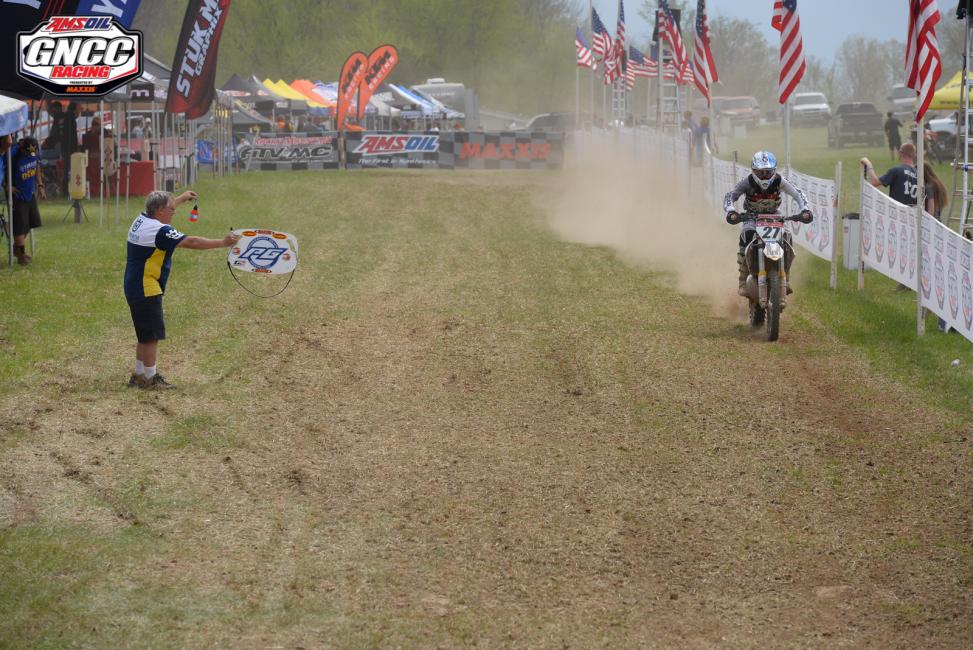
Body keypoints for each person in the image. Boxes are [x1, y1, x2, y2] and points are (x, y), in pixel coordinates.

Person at [124, 190, 241, 390]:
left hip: (133, 284)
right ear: (160, 210)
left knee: (144, 334)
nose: (174, 212)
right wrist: (222, 243)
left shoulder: (142, 219)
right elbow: (191, 242)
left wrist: (180, 198)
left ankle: (138, 374)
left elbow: (163, 207)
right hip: (147, 287)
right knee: (151, 336)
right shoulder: (159, 231)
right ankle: (151, 378)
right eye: (171, 209)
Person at [723, 151, 812, 296]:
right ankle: (742, 280)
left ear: (774, 171)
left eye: (768, 172)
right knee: (746, 234)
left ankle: (785, 276)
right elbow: (730, 196)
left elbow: (797, 193)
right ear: (753, 171)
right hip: (752, 217)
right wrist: (731, 211)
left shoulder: (779, 180)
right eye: (760, 172)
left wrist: (805, 209)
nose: (764, 176)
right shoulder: (747, 182)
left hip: (774, 217)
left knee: (787, 236)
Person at [4, 137, 46, 265]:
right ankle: (21, 255)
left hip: (30, 192)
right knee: (19, 225)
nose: (30, 156)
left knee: (32, 222)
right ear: (22, 147)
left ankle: (17, 247)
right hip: (16, 194)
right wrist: (6, 186)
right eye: (28, 154)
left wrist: (40, 185)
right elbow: (1, 170)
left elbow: (37, 166)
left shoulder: (33, 152)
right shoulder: (12, 154)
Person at [861, 143, 918, 207]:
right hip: (914, 213)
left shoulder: (897, 170)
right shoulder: (919, 175)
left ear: (901, 153)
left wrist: (868, 164)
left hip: (898, 212)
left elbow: (874, 182)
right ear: (913, 155)